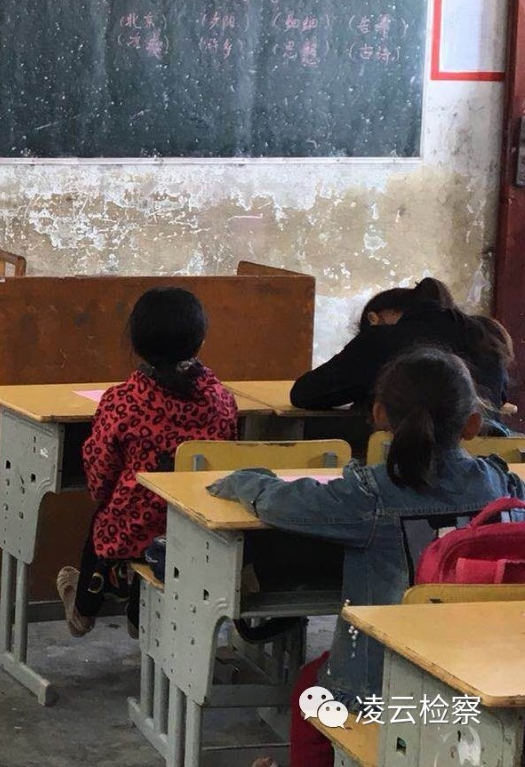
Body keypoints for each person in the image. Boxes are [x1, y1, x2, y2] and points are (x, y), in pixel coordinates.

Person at [210, 347, 525, 767]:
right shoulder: (502, 485)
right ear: (472, 424)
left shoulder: (367, 496)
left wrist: (248, 479)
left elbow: (278, 504)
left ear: (378, 416)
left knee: (311, 689)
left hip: (384, 688)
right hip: (482, 676)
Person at [56, 287, 238, 636]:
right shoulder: (221, 401)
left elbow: (99, 473)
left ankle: (84, 608)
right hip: (198, 527)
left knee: (106, 514)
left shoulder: (122, 401)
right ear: (199, 341)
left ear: (137, 343)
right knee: (134, 515)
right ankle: (140, 617)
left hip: (133, 531)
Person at [291, 278, 514, 421]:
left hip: (398, 463)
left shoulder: (381, 340)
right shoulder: (484, 338)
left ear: (379, 317)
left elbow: (305, 394)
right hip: (481, 464)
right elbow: (499, 399)